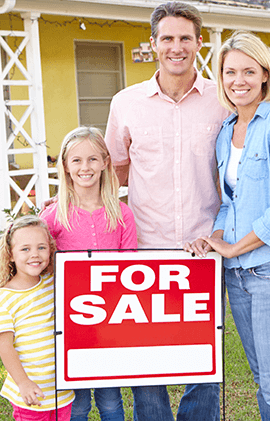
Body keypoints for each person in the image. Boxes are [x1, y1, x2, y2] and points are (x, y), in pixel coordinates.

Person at [105, 2, 229, 420]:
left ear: (198, 43)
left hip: (206, 245)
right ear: (154, 43)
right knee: (146, 356)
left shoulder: (223, 99)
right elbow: (114, 170)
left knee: (204, 353)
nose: (177, 47)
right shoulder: (126, 103)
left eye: (185, 38)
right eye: (168, 38)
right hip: (144, 247)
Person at [185, 30, 270, 421]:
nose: (239, 81)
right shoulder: (226, 131)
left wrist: (235, 247)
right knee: (262, 378)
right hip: (237, 275)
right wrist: (215, 237)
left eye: (249, 71)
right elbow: (229, 203)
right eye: (230, 72)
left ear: (265, 75)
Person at [40, 126, 137, 421]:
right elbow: (39, 268)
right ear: (66, 167)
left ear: (106, 162)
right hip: (69, 324)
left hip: (110, 321)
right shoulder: (53, 216)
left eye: (93, 159)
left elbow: (130, 269)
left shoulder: (122, 214)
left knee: (111, 400)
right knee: (77, 404)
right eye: (77, 160)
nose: (85, 167)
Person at [0, 215, 75, 421]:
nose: (35, 254)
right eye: (25, 249)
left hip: (60, 391)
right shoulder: (5, 298)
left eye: (41, 247)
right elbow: (5, 347)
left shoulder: (53, 282)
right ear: (11, 254)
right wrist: (23, 383)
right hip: (31, 393)